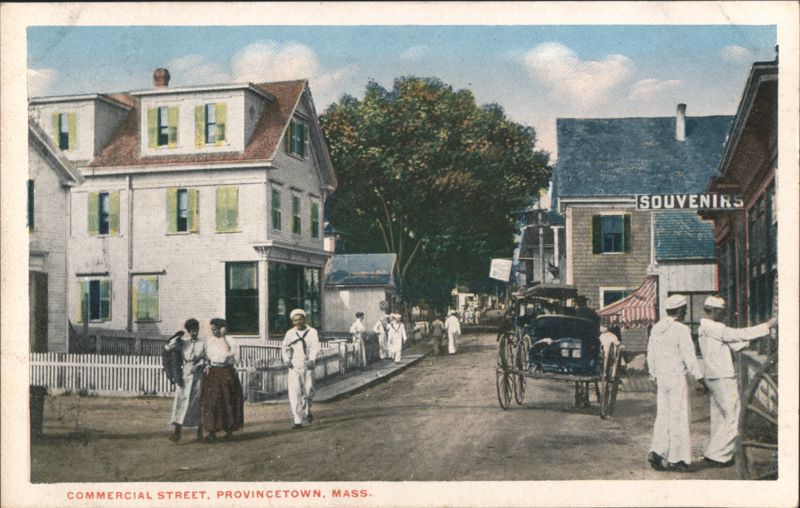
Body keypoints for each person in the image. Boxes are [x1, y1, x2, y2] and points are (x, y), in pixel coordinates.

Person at [698, 296, 775, 468]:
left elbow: (734, 344)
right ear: (716, 311)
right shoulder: (716, 327)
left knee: (720, 417)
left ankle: (714, 452)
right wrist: (767, 326)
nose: (725, 315)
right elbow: (739, 335)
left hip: (712, 376)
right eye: (723, 311)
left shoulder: (704, 328)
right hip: (723, 377)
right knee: (733, 416)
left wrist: (751, 340)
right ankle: (718, 455)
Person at [646, 294, 705, 472]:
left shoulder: (657, 328)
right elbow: (689, 356)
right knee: (679, 417)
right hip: (677, 378)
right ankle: (677, 459)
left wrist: (653, 375)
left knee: (663, 416)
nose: (686, 312)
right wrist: (699, 377)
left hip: (662, 378)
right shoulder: (681, 329)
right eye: (685, 310)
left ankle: (657, 451)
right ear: (679, 310)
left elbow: (651, 353)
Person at [200, 318, 244, 442]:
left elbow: (230, 355)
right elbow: (207, 356)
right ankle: (211, 432)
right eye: (212, 329)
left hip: (226, 372)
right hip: (213, 373)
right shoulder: (209, 341)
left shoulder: (231, 341)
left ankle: (229, 431)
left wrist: (223, 338)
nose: (213, 332)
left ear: (222, 328)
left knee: (228, 401)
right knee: (212, 402)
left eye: (215, 329)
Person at [165, 318, 206, 443]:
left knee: (197, 402)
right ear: (188, 331)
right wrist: (177, 336)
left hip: (198, 374)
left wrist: (198, 365)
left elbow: (206, 358)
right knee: (181, 401)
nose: (194, 333)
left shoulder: (203, 343)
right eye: (192, 331)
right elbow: (168, 347)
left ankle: (200, 434)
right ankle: (177, 434)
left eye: (196, 330)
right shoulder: (184, 343)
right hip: (185, 373)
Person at [282, 309, 321, 430]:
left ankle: (307, 410)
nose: (298, 322)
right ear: (293, 321)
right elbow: (285, 347)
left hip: (308, 364)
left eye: (300, 319)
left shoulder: (312, 332)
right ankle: (297, 420)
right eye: (295, 320)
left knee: (308, 391)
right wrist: (287, 359)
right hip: (294, 365)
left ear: (305, 319)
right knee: (295, 393)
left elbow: (315, 346)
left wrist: (312, 359)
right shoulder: (290, 333)